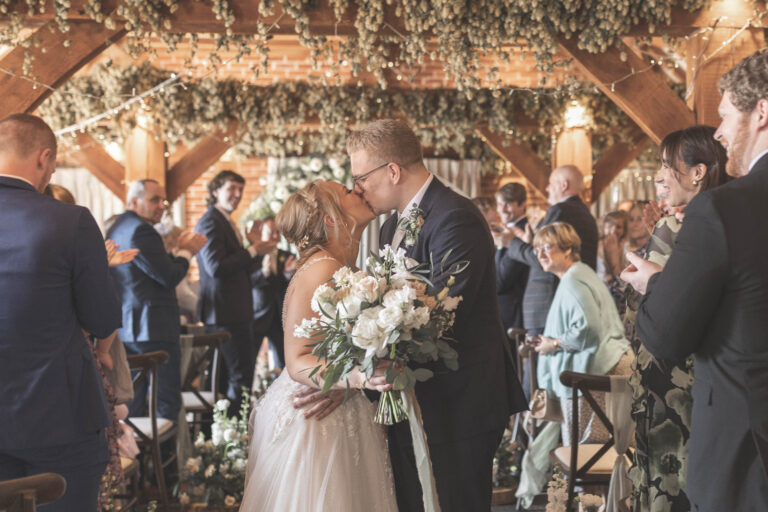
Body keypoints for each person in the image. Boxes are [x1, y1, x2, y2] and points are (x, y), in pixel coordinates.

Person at [349, 118, 528, 512]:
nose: (357, 188)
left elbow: (445, 313)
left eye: (361, 177)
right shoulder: (390, 226)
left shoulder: (455, 218)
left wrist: (372, 365)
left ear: (392, 170)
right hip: (415, 395)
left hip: (460, 400)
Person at [621, 49, 768, 511]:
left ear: (762, 111)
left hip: (745, 455)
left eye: (725, 115)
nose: (720, 133)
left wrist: (656, 284)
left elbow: (664, 335)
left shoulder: (722, 209)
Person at [240, 180, 397, 511]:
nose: (358, 191)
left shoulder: (339, 265)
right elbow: (297, 360)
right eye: (346, 191)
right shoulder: (323, 268)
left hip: (340, 402)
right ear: (329, 218)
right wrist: (356, 378)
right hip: (316, 415)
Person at [0, 114, 122, 511]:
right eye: (53, 165)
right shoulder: (70, 221)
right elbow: (101, 317)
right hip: (58, 414)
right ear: (44, 157)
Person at [625, 125, 730, 512]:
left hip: (674, 381)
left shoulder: (682, 228)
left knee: (669, 484)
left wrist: (647, 282)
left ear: (697, 172)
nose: (658, 176)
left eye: (667, 166)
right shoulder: (687, 224)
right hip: (689, 383)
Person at [515, 222, 631, 506]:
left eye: (547, 247)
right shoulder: (578, 275)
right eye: (537, 247)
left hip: (593, 375)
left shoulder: (575, 278)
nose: (540, 254)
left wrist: (553, 344)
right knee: (590, 461)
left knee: (589, 463)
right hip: (597, 371)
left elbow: (588, 328)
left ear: (568, 249)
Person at [107, 179, 207, 421]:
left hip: (130, 328)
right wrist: (186, 252)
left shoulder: (117, 227)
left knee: (134, 402)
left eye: (163, 200)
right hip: (153, 327)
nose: (162, 206)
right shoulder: (141, 230)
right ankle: (169, 457)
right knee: (166, 401)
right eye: (154, 200)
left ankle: (141, 457)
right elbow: (168, 276)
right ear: (134, 201)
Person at [195, 170, 276, 413]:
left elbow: (240, 271)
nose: (237, 195)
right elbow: (216, 267)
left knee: (234, 377)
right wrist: (252, 250)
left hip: (234, 312)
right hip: (224, 314)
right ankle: (234, 436)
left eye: (240, 190)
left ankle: (228, 435)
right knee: (238, 379)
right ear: (215, 191)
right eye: (231, 188)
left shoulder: (226, 222)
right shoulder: (211, 221)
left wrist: (252, 249)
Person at [496, 165, 599, 338]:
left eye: (551, 183)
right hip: (567, 303)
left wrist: (511, 243)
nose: (547, 189)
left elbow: (545, 259)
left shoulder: (560, 210)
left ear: (563, 185)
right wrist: (530, 242)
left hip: (548, 306)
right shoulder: (585, 214)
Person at [250, 214, 297, 369]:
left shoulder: (288, 256)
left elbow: (292, 287)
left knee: (282, 362)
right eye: (271, 232)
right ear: (262, 232)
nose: (275, 236)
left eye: (278, 232)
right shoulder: (252, 255)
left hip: (279, 314)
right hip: (257, 313)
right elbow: (249, 282)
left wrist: (287, 275)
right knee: (249, 362)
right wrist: (263, 272)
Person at [493, 183, 530, 334]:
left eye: (507, 204)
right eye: (499, 204)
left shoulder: (522, 231)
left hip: (514, 313)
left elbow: (502, 280)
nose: (502, 209)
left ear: (522, 205)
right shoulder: (505, 229)